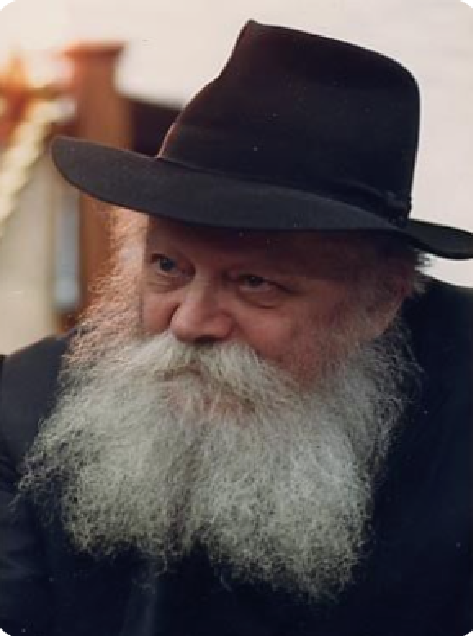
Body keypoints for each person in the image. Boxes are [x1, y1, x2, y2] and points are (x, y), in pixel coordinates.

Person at [0, 19, 472, 636]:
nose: (189, 322)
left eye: (254, 283)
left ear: (380, 302)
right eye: (168, 267)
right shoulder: (24, 410)